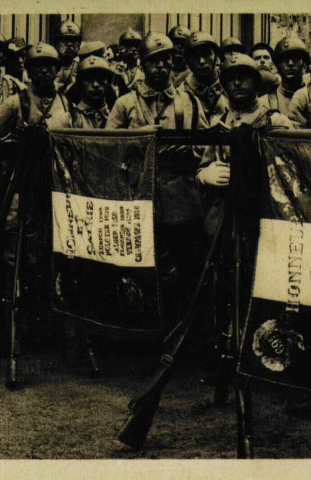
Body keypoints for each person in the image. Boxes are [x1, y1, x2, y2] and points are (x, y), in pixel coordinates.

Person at [107, 32, 208, 328]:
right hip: (139, 198)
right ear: (142, 64)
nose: (161, 66)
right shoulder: (126, 104)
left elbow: (205, 143)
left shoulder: (188, 101)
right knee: (143, 267)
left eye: (166, 60)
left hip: (181, 200)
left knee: (187, 267)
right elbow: (109, 146)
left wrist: (188, 149)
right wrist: (138, 146)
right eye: (154, 61)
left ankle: (182, 330)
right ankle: (143, 329)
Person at [197, 52, 292, 239]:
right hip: (226, 220)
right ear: (224, 86)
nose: (237, 83)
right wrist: (204, 176)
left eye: (244, 77)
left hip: (265, 213)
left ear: (255, 82)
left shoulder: (276, 121)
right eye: (231, 79)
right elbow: (201, 167)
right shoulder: (218, 125)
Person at [0, 42, 73, 139]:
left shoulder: (65, 103)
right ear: (28, 73)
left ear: (57, 70)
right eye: (37, 66)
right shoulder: (15, 102)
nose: (44, 71)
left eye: (49, 66)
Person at [177, 31, 228, 120]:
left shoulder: (230, 85)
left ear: (216, 56)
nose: (201, 61)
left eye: (206, 54)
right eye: (194, 56)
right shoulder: (181, 92)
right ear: (187, 61)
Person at [262, 37, 310, 117]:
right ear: (277, 65)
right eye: (284, 59)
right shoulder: (265, 103)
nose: (290, 63)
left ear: (304, 64)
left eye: (295, 58)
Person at [70, 56, 113, 128]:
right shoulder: (70, 119)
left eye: (100, 79)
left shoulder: (116, 116)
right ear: (80, 84)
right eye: (88, 79)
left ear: (108, 83)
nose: (95, 85)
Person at [53, 20, 82, 95]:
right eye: (64, 40)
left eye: (73, 41)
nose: (69, 44)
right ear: (56, 43)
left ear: (79, 44)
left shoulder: (80, 68)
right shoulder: (50, 66)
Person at [117, 28, 145, 93]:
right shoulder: (118, 67)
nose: (134, 49)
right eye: (129, 46)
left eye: (136, 46)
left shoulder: (143, 67)